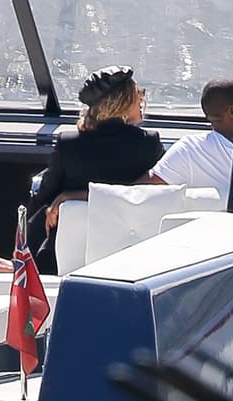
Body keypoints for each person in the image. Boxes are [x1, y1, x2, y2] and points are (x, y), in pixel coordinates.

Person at [16, 65, 163, 275]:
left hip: (66, 255)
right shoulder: (149, 143)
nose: (142, 100)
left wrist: (65, 199)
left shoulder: (69, 143)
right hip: (134, 254)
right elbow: (151, 191)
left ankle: (22, 268)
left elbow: (44, 197)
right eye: (139, 95)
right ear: (125, 101)